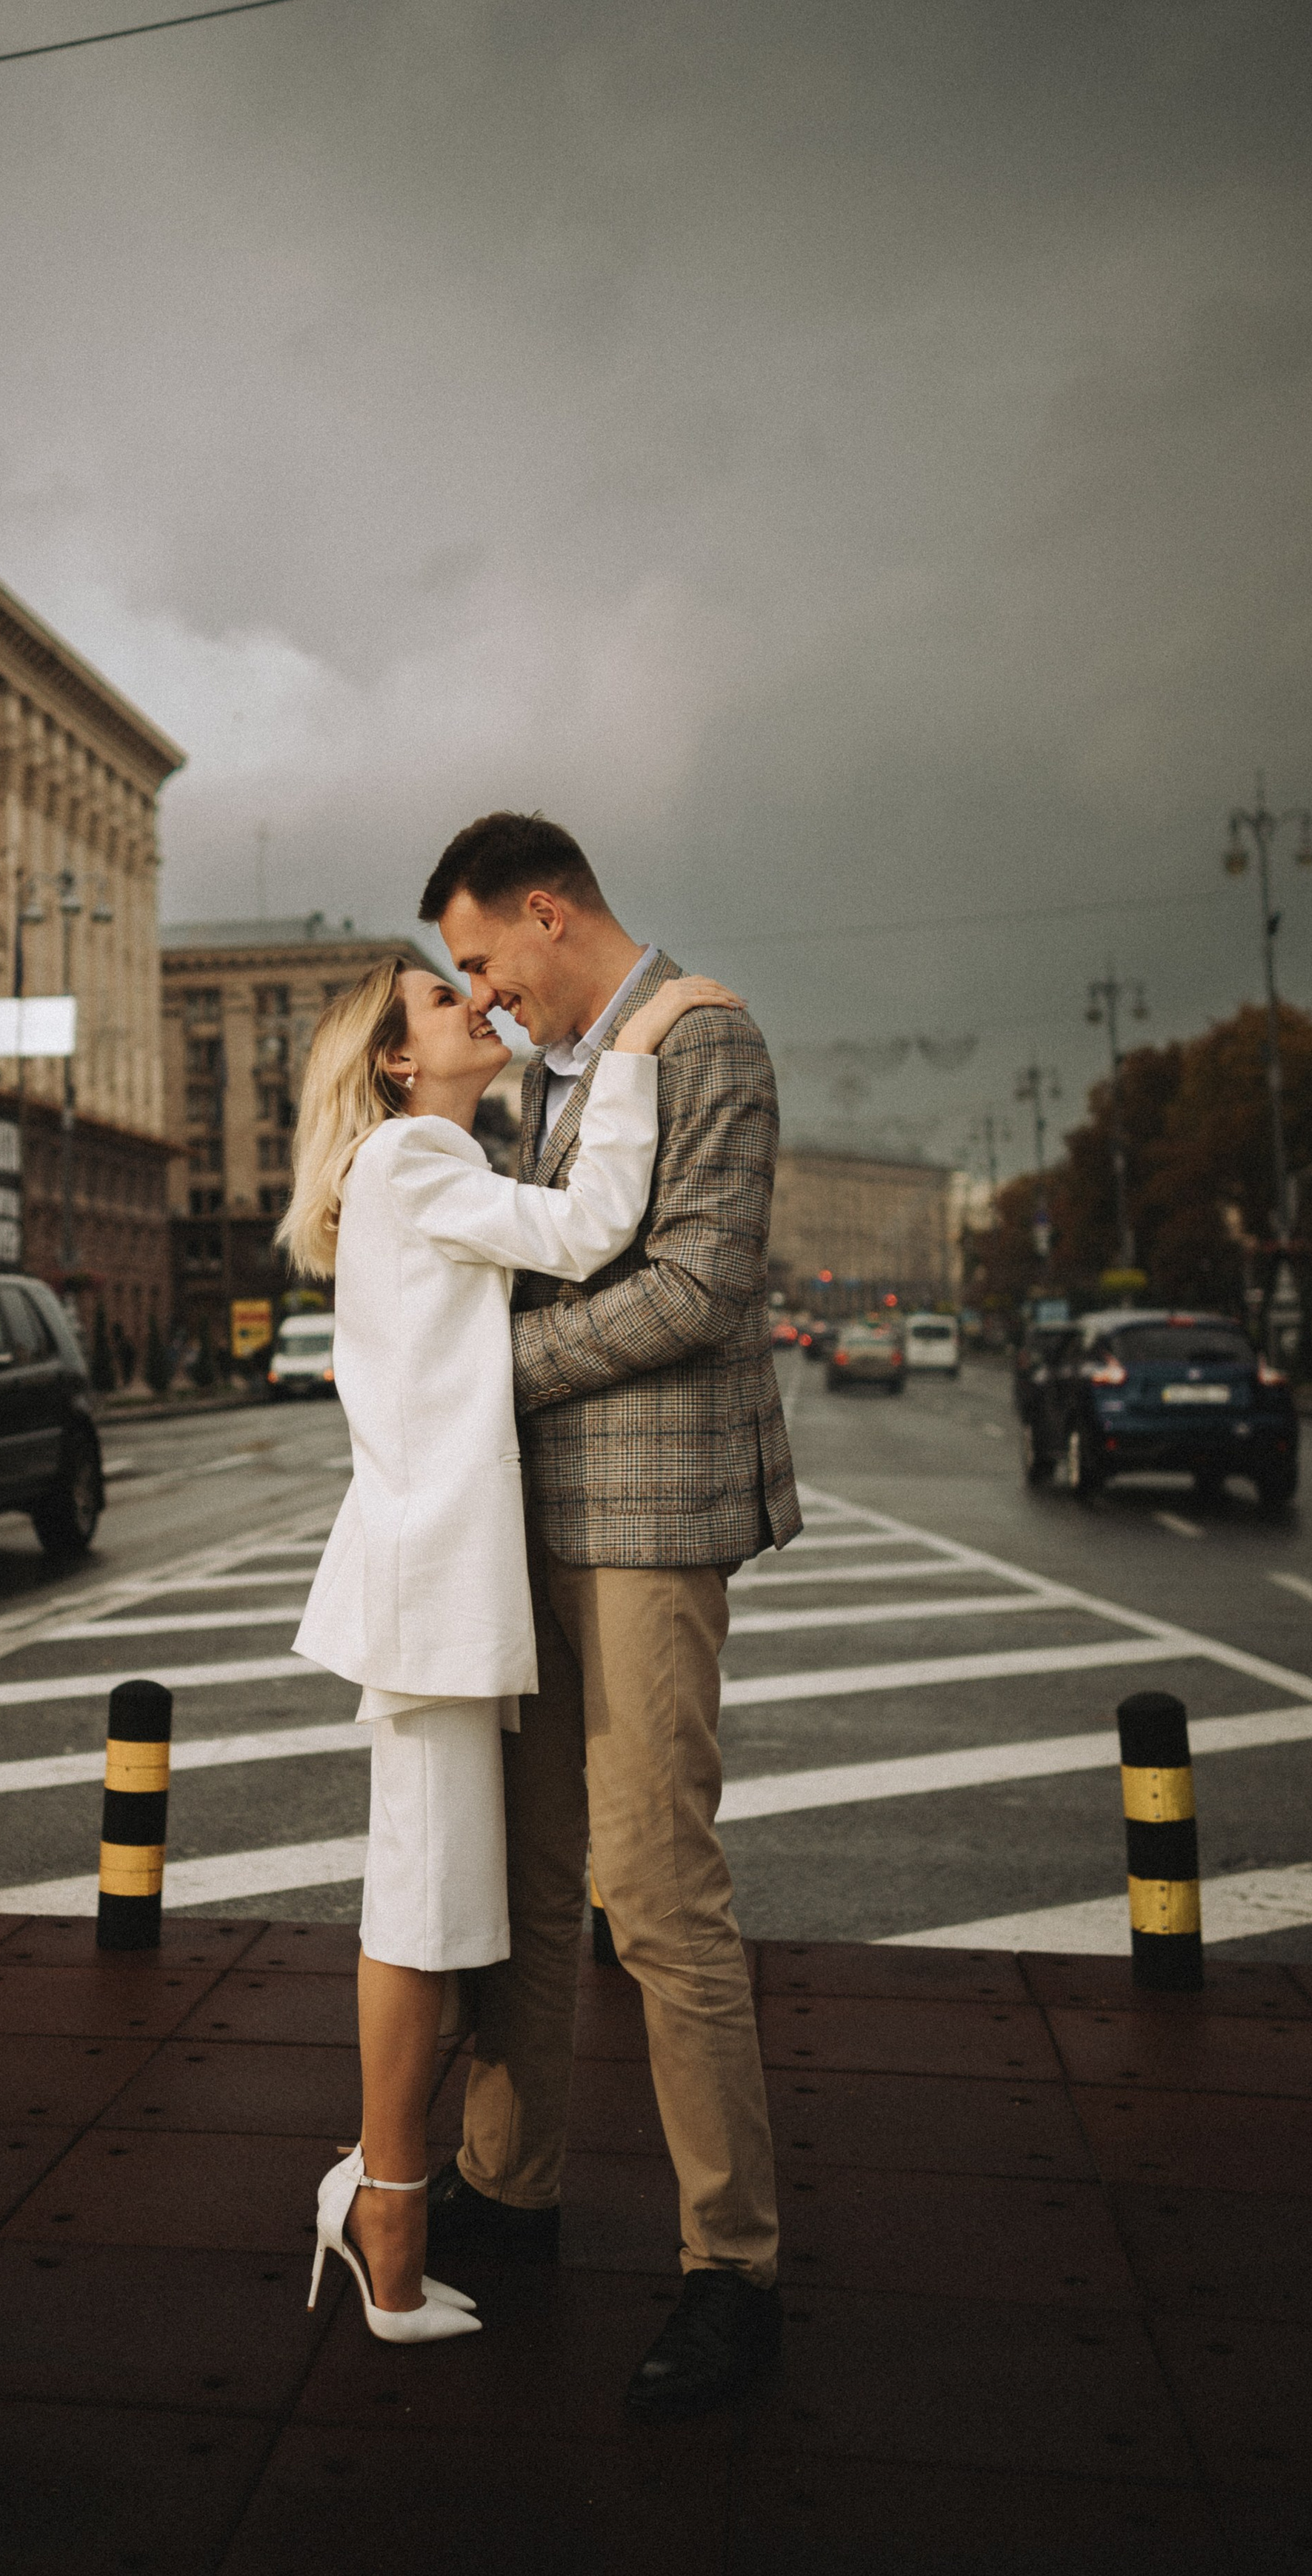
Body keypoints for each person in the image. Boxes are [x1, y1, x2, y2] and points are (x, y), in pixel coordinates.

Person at [418, 810, 801, 2423]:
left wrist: (484, 1374)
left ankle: (731, 2267)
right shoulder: (536, 1085)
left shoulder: (698, 1034)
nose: (483, 994)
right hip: (526, 1533)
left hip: (648, 1527)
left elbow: (698, 1289)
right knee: (524, 1876)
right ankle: (508, 2196)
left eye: (486, 959)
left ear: (548, 908)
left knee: (654, 1894)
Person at [282, 955, 723, 2343]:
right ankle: (389, 2210)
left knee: (450, 1904)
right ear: (398, 1062)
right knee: (420, 1911)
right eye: (437, 1000)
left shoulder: (419, 1156)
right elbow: (596, 1227)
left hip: (442, 1585)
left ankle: (387, 2187)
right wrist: (642, 1043)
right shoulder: (415, 1154)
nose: (473, 1005)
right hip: (432, 1591)